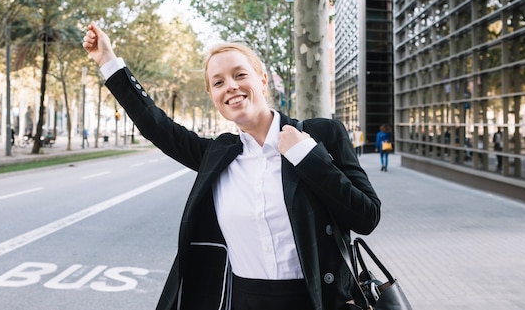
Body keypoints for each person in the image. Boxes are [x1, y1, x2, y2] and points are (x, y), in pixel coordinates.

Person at [83, 22, 381, 310]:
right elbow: (156, 125)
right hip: (244, 300)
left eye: (240, 74)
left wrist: (306, 156)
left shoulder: (322, 134)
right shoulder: (218, 154)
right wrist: (108, 60)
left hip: (318, 300)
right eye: (218, 82)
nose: (231, 87)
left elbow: (367, 217)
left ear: (262, 80)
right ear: (213, 97)